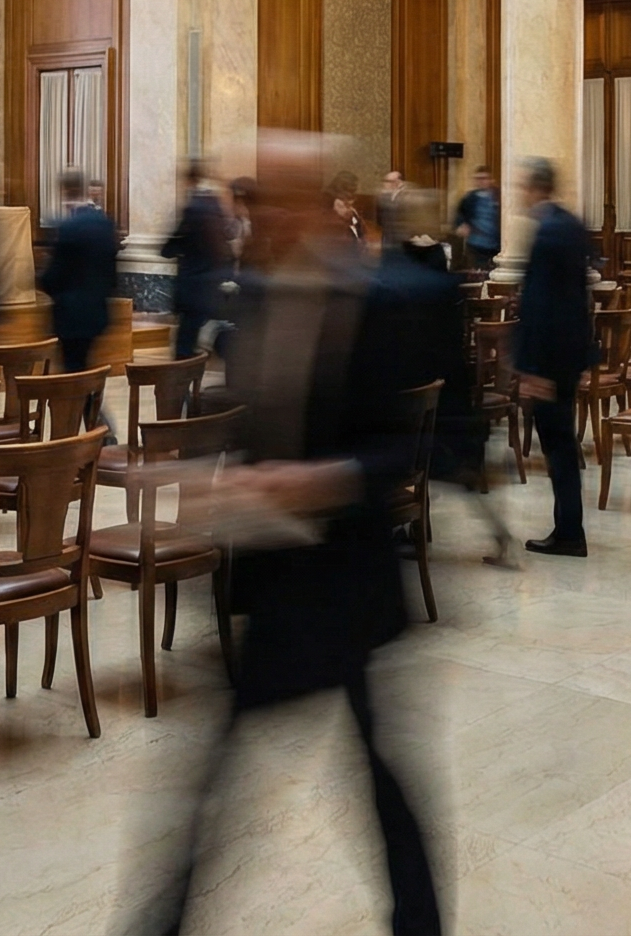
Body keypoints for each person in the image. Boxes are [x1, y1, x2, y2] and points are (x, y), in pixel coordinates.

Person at [135, 132, 444, 936]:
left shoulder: (375, 301)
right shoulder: (256, 296)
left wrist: (319, 480)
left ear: (314, 206)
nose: (259, 214)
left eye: (275, 199)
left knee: (377, 774)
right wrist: (204, 477)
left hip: (349, 576)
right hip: (275, 577)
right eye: (256, 198)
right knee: (216, 777)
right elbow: (257, 422)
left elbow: (404, 447)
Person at [513, 159, 596, 558]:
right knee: (564, 445)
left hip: (550, 360)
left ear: (534, 188)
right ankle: (568, 526)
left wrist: (532, 368)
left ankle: (569, 531)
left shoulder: (547, 233)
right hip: (569, 355)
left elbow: (541, 305)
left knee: (558, 447)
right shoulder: (572, 225)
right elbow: (580, 297)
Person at [39, 167, 119, 377]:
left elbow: (54, 276)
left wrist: (42, 281)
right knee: (87, 367)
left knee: (73, 370)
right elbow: (111, 272)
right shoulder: (105, 224)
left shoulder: (68, 227)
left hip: (71, 314)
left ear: (64, 189)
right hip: (97, 310)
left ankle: (84, 398)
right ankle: (91, 398)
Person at [161, 160, 232, 360]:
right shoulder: (215, 205)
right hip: (211, 281)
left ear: (189, 179)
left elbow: (172, 245)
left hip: (193, 283)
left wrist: (170, 248)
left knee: (185, 343)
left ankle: (181, 377)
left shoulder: (194, 208)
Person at [452, 166, 502, 274]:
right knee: (478, 273)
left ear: (491, 179)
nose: (481, 182)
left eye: (484, 178)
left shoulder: (499, 196)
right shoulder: (470, 198)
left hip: (496, 244)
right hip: (476, 244)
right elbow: (460, 215)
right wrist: (461, 225)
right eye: (478, 179)